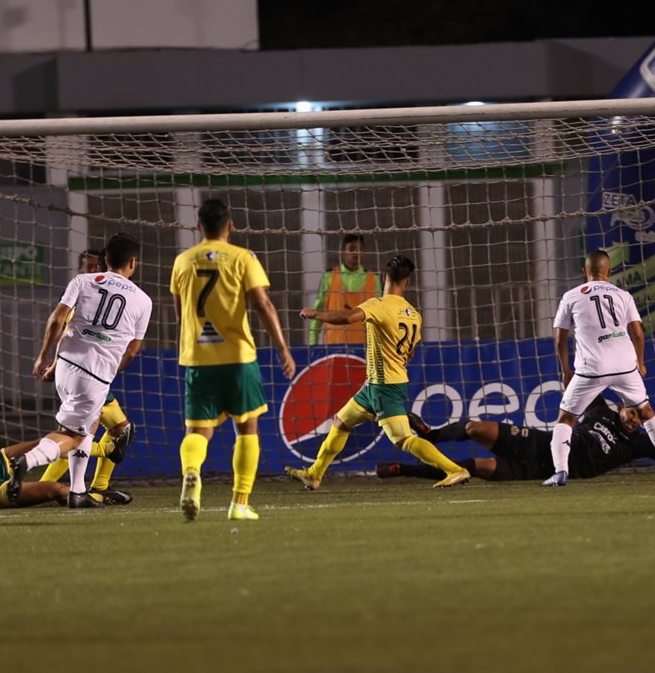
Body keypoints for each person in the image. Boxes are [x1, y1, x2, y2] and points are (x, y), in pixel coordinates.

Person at [288, 255, 471, 490]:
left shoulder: (378, 305)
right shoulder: (414, 314)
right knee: (340, 422)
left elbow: (347, 317)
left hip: (385, 386)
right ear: (407, 282)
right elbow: (410, 353)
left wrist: (315, 314)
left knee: (404, 440)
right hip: (377, 385)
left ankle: (455, 470)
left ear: (384, 277)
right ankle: (314, 474)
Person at [171, 199, 297, 522]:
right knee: (247, 429)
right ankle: (239, 503)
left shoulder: (182, 261)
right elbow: (263, 304)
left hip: (198, 358)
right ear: (231, 225)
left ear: (198, 226)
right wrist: (283, 348)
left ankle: (191, 471)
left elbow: (180, 314)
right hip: (238, 357)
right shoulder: (244, 258)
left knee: (197, 431)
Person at [8, 233, 152, 509]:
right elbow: (132, 351)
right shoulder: (143, 301)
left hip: (66, 366)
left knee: (88, 430)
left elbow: (58, 320)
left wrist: (44, 357)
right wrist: (109, 373)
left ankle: (78, 492)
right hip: (95, 374)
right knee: (73, 436)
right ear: (133, 262)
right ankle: (27, 461)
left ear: (104, 260)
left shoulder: (82, 282)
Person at [376, 395, 655, 482]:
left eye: (639, 418)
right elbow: (579, 377)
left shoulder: (641, 442)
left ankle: (402, 470)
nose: (634, 421)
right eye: (632, 413)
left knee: (474, 468)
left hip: (539, 470)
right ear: (622, 406)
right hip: (538, 444)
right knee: (476, 427)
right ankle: (430, 434)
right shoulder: (601, 408)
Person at [545, 249, 655, 487]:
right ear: (609, 271)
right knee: (646, 412)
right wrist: (640, 362)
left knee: (566, 419)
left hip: (592, 367)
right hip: (624, 366)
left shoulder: (571, 296)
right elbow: (638, 333)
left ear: (584, 271)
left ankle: (560, 472)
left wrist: (566, 371)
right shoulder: (623, 295)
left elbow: (560, 340)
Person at [37, 248, 137, 505]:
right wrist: (53, 364)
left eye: (96, 266)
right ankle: (45, 487)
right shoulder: (83, 295)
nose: (93, 270)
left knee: (117, 430)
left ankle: (95, 487)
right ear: (81, 269)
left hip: (92, 374)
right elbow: (67, 335)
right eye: (88, 267)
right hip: (84, 375)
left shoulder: (98, 295)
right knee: (83, 435)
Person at [308, 233, 381, 346]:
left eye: (360, 249)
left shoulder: (374, 279)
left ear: (364, 252)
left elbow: (379, 317)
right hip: (333, 346)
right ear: (343, 252)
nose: (356, 253)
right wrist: (313, 344)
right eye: (351, 249)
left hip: (364, 347)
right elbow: (318, 311)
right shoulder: (329, 277)